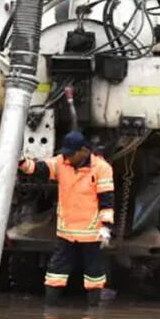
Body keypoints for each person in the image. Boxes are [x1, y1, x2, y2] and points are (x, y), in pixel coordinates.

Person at [18, 131, 114, 306]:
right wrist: (22, 162)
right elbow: (38, 169)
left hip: (91, 233)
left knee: (94, 274)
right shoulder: (62, 163)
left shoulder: (101, 168)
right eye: (65, 153)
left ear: (84, 151)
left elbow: (106, 200)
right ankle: (51, 308)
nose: (67, 157)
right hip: (66, 231)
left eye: (71, 153)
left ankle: (93, 312)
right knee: (56, 273)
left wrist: (106, 228)